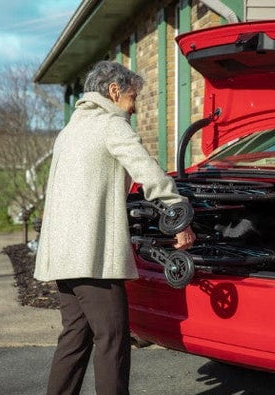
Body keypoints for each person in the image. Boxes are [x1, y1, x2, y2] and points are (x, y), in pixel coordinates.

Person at [34, 60, 196, 395]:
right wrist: (179, 211)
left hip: (63, 256)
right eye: (133, 98)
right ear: (113, 91)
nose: (135, 108)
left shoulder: (70, 130)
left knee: (75, 340)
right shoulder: (110, 125)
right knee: (113, 340)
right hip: (93, 257)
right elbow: (147, 171)